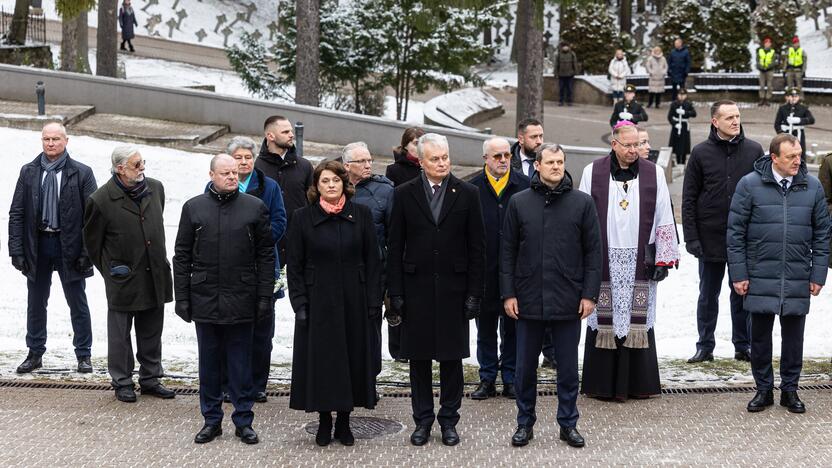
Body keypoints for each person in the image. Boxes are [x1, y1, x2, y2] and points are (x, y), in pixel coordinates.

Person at [386, 133, 486, 447]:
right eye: (435, 159)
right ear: (421, 161)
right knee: (418, 360)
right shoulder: (404, 194)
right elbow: (395, 246)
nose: (442, 163)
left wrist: (474, 294)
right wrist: (396, 293)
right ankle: (423, 421)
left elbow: (478, 249)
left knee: (452, 360)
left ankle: (449, 421)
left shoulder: (468, 193)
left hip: (455, 291)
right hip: (416, 290)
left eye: (445, 157)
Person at [502, 144, 601, 448]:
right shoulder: (519, 203)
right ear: (537, 166)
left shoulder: (582, 203)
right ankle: (524, 423)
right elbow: (506, 251)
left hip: (568, 299)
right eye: (550, 162)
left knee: (568, 370)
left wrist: (589, 295)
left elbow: (594, 252)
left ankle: (568, 424)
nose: (556, 167)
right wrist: (508, 294)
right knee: (524, 369)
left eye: (560, 162)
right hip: (528, 297)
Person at [173, 154, 274, 445]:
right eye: (226, 172)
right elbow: (182, 256)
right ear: (211, 175)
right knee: (209, 364)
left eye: (235, 173)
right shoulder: (194, 207)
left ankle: (244, 421)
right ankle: (211, 420)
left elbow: (266, 255)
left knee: (241, 364)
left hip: (242, 297)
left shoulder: (254, 208)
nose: (232, 177)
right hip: (205, 299)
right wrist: (183, 298)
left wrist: (263, 296)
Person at [727, 133, 830, 414]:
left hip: (797, 273)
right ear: (774, 158)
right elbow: (735, 234)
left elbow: (823, 234)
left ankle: (790, 390)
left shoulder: (812, 187)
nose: (798, 161)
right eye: (791, 157)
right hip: (760, 272)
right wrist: (739, 273)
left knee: (794, 338)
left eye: (799, 154)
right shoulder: (749, 185)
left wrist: (818, 274)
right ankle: (763, 389)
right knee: (759, 337)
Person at [578, 122, 680, 401]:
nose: (635, 150)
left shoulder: (654, 173)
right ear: (614, 144)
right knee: (604, 318)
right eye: (629, 145)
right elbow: (584, 217)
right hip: (604, 257)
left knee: (637, 320)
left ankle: (638, 384)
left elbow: (663, 215)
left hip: (640, 258)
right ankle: (601, 385)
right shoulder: (593, 172)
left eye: (638, 144)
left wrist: (663, 258)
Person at [288, 160, 382, 446]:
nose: (331, 185)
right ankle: (324, 420)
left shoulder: (361, 214)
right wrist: (300, 303)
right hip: (318, 302)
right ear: (316, 186)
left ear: (345, 183)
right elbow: (295, 265)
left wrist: (373, 302)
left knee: (352, 360)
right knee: (323, 363)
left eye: (336, 180)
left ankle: (344, 420)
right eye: (325, 181)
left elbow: (374, 261)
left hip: (355, 299)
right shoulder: (302, 217)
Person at [82, 145, 175, 403]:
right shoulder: (100, 200)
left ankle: (150, 378)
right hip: (122, 278)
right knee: (120, 334)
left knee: (151, 329)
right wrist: (112, 272)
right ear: (120, 168)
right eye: (136, 164)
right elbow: (93, 244)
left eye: (142, 162)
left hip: (154, 272)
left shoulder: (156, 188)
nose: (142, 168)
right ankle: (122, 381)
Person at [9, 122, 97, 375]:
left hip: (69, 246)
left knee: (77, 302)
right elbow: (17, 213)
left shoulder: (82, 173)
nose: (51, 143)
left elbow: (93, 218)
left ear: (66, 141)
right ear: (42, 141)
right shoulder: (29, 172)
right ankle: (34, 353)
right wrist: (17, 250)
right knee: (36, 303)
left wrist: (86, 253)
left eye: (56, 139)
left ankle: (84, 355)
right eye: (47, 139)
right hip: (37, 245)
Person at [682, 100, 764, 364]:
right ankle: (705, 346)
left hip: (744, 238)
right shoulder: (700, 153)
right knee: (708, 295)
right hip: (710, 237)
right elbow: (689, 198)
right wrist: (692, 237)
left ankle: (743, 345)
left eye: (737, 116)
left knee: (741, 292)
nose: (735, 121)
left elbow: (763, 194)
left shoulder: (754, 150)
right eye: (729, 117)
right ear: (714, 121)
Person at [223, 136, 287, 404]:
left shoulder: (269, 186)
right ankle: (230, 384)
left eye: (248, 157)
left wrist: (254, 244)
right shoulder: (217, 185)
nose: (244, 162)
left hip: (263, 267)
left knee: (262, 331)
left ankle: (258, 383)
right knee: (230, 329)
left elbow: (279, 221)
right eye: (238, 158)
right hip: (229, 270)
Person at [468, 137, 529, 401]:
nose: (503, 161)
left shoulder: (524, 186)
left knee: (513, 328)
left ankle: (511, 377)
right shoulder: (472, 189)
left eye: (506, 155)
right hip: (484, 271)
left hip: (517, 272)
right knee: (486, 329)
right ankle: (487, 377)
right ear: (485, 159)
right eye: (497, 157)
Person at [342, 142, 395, 395]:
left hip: (375, 273)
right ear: (346, 166)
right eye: (361, 161)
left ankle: (369, 380)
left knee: (371, 331)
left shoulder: (385, 191)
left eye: (369, 160)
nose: (367, 166)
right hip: (342, 273)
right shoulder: (334, 187)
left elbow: (395, 235)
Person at [508, 119, 557, 368]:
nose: (539, 141)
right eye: (534, 137)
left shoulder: (550, 160)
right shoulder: (509, 162)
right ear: (521, 139)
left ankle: (550, 353)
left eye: (541, 135)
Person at [254, 115, 313, 269]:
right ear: (270, 136)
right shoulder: (255, 167)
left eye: (291, 131)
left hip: (299, 244)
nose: (291, 135)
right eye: (285, 132)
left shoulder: (305, 166)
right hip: (266, 245)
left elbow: (314, 203)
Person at [774, 88, 815, 158]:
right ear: (787, 97)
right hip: (786, 135)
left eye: (796, 96)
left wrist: (799, 120)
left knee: (799, 155)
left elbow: (811, 120)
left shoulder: (803, 108)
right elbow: (777, 124)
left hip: (799, 135)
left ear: (798, 97)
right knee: (786, 154)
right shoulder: (783, 108)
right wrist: (781, 132)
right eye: (791, 96)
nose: (794, 98)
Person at [667, 88, 697, 165]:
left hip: (684, 126)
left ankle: (683, 162)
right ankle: (677, 161)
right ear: (677, 95)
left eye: (683, 95)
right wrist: (675, 124)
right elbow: (669, 117)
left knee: (684, 145)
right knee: (676, 145)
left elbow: (694, 114)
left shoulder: (688, 104)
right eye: (680, 94)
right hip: (677, 126)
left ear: (686, 95)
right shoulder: (674, 104)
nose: (681, 96)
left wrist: (685, 112)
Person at [555, 42, 579, 106]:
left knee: (569, 89)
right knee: (561, 89)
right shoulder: (559, 54)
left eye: (566, 46)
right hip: (561, 74)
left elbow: (574, 63)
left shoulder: (572, 54)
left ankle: (569, 101)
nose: (565, 48)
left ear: (568, 47)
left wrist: (576, 72)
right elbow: (556, 64)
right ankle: (561, 101)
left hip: (570, 74)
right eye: (564, 46)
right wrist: (556, 73)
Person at [756, 37, 779, 107]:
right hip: (761, 70)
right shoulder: (760, 51)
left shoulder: (773, 52)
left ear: (770, 44)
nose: (767, 44)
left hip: (770, 70)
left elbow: (774, 62)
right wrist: (761, 67)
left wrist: (768, 67)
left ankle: (768, 99)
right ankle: (762, 99)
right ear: (764, 44)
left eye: (768, 43)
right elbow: (757, 60)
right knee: (761, 86)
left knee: (769, 85)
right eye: (766, 43)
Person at [668, 38, 691, 102]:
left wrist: (686, 71)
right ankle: (674, 100)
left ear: (680, 44)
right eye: (675, 43)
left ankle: (683, 100)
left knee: (682, 88)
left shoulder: (685, 52)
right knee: (674, 89)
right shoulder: (672, 52)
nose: (675, 44)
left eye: (677, 43)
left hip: (682, 73)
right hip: (674, 73)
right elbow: (669, 61)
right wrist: (669, 70)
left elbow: (688, 62)